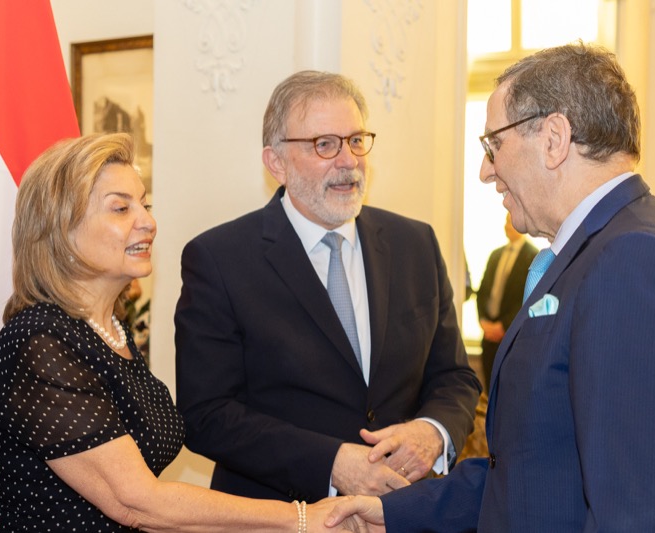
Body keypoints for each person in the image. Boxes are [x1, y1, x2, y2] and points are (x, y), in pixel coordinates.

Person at [326, 42, 655, 532]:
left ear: (554, 139)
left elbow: (637, 514)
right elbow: (532, 472)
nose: (486, 171)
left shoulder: (634, 260)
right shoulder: (599, 251)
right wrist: (392, 512)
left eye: (494, 145)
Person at [0, 133, 358, 532]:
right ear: (60, 229)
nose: (148, 222)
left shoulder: (112, 331)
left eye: (145, 205)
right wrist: (301, 518)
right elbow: (136, 503)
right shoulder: (39, 340)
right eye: (121, 208)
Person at [174, 71, 481, 504]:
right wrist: (331, 464)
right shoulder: (219, 259)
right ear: (276, 163)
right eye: (325, 144)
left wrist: (432, 432)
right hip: (281, 516)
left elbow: (454, 376)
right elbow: (206, 414)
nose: (348, 161)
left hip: (404, 510)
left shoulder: (415, 244)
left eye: (356, 141)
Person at [476, 211, 537, 394]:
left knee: (508, 392)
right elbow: (482, 292)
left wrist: (503, 327)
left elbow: (528, 300)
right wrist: (483, 322)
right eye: (505, 222)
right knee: (489, 391)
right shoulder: (495, 255)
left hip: (513, 337)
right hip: (489, 337)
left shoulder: (533, 256)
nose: (506, 226)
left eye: (510, 222)